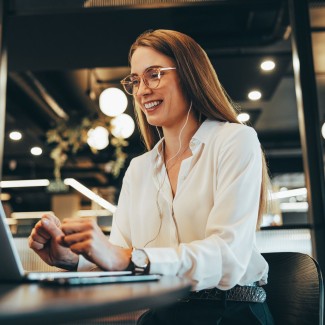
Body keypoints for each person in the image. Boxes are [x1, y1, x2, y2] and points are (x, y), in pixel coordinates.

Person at [29, 29, 274, 324]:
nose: (142, 90)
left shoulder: (234, 140)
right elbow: (119, 256)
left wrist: (133, 258)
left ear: (189, 75)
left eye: (154, 74)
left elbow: (227, 256)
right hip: (163, 312)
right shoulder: (140, 168)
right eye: (135, 80)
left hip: (231, 311)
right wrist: (74, 258)